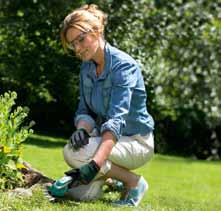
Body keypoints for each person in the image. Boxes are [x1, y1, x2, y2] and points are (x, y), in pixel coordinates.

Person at [60, 4, 154, 207]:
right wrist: (82, 131)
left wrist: (95, 165)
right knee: (81, 193)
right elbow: (84, 110)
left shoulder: (123, 66)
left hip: (136, 142)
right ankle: (111, 180)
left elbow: (115, 121)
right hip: (106, 139)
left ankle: (134, 182)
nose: (77, 48)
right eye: (72, 44)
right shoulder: (86, 68)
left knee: (76, 154)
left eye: (81, 39)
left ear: (97, 31)